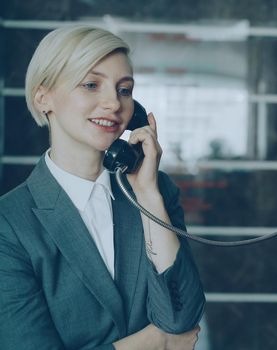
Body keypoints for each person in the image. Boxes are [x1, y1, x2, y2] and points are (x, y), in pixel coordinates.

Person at [0, 25, 205, 349]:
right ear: (44, 97)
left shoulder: (155, 192)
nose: (113, 103)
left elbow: (181, 317)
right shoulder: (9, 223)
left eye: (124, 90)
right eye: (92, 84)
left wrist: (149, 195)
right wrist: (158, 342)